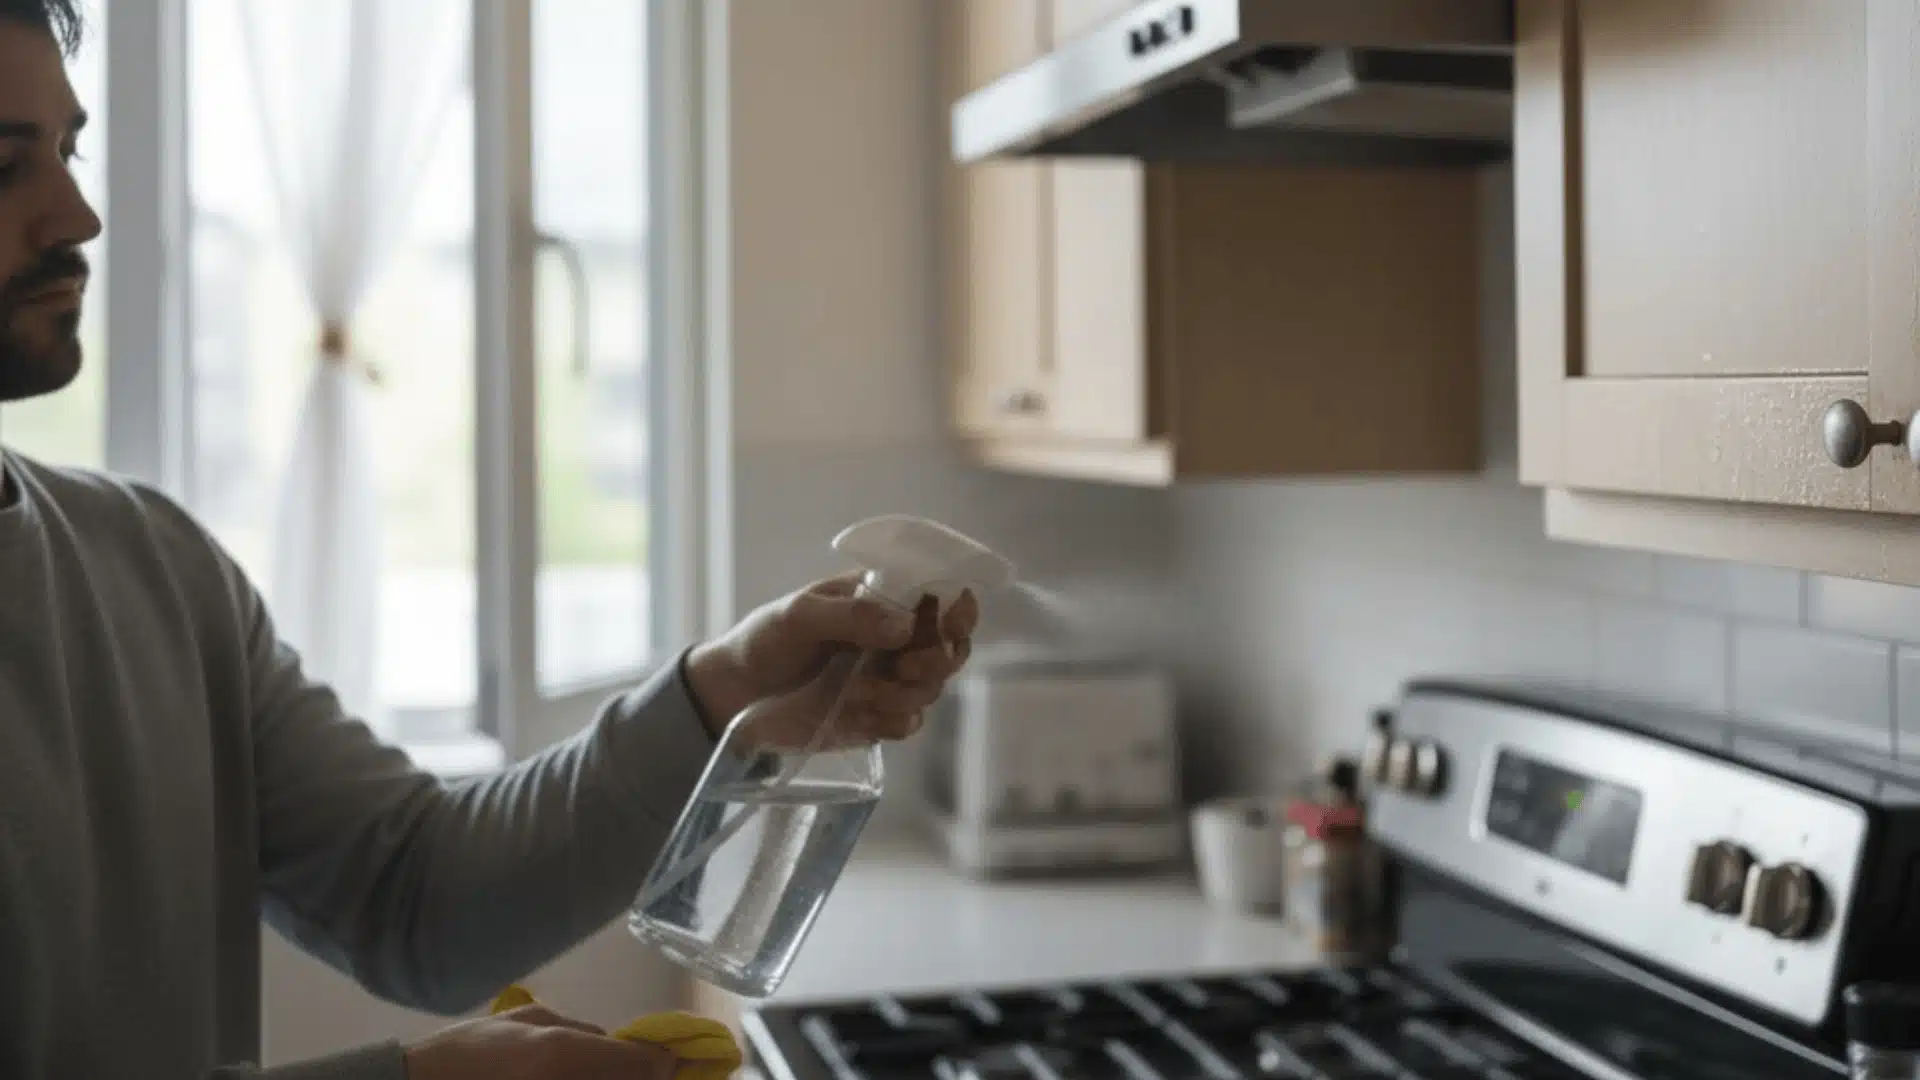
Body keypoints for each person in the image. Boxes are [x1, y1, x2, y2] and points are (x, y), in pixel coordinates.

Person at [0, 3, 980, 1078]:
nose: (77, 215)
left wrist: (722, 698)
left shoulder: (153, 568)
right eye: (7, 167)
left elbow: (418, 894)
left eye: (69, 150)